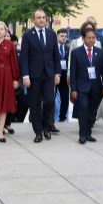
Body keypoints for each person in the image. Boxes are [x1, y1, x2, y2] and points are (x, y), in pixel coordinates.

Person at [20, 9, 61, 143]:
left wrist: (57, 73)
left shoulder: (51, 34)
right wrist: (25, 76)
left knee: (50, 101)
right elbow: (24, 57)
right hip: (33, 75)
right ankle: (38, 132)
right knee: (35, 104)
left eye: (44, 17)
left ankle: (45, 126)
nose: (42, 20)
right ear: (33, 20)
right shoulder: (27, 35)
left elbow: (56, 56)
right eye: (39, 18)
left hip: (49, 74)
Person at [70, 27, 103, 144]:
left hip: (96, 87)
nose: (92, 40)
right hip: (82, 87)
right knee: (83, 108)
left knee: (92, 111)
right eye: (89, 38)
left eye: (93, 38)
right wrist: (73, 89)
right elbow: (73, 73)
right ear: (83, 38)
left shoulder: (100, 52)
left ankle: (88, 132)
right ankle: (82, 134)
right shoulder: (76, 53)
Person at [56, 28, 70, 123]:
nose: (63, 38)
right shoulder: (53, 48)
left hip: (65, 78)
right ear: (57, 36)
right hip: (55, 77)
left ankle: (62, 117)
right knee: (51, 99)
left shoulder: (68, 49)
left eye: (65, 36)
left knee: (65, 98)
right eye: (61, 36)